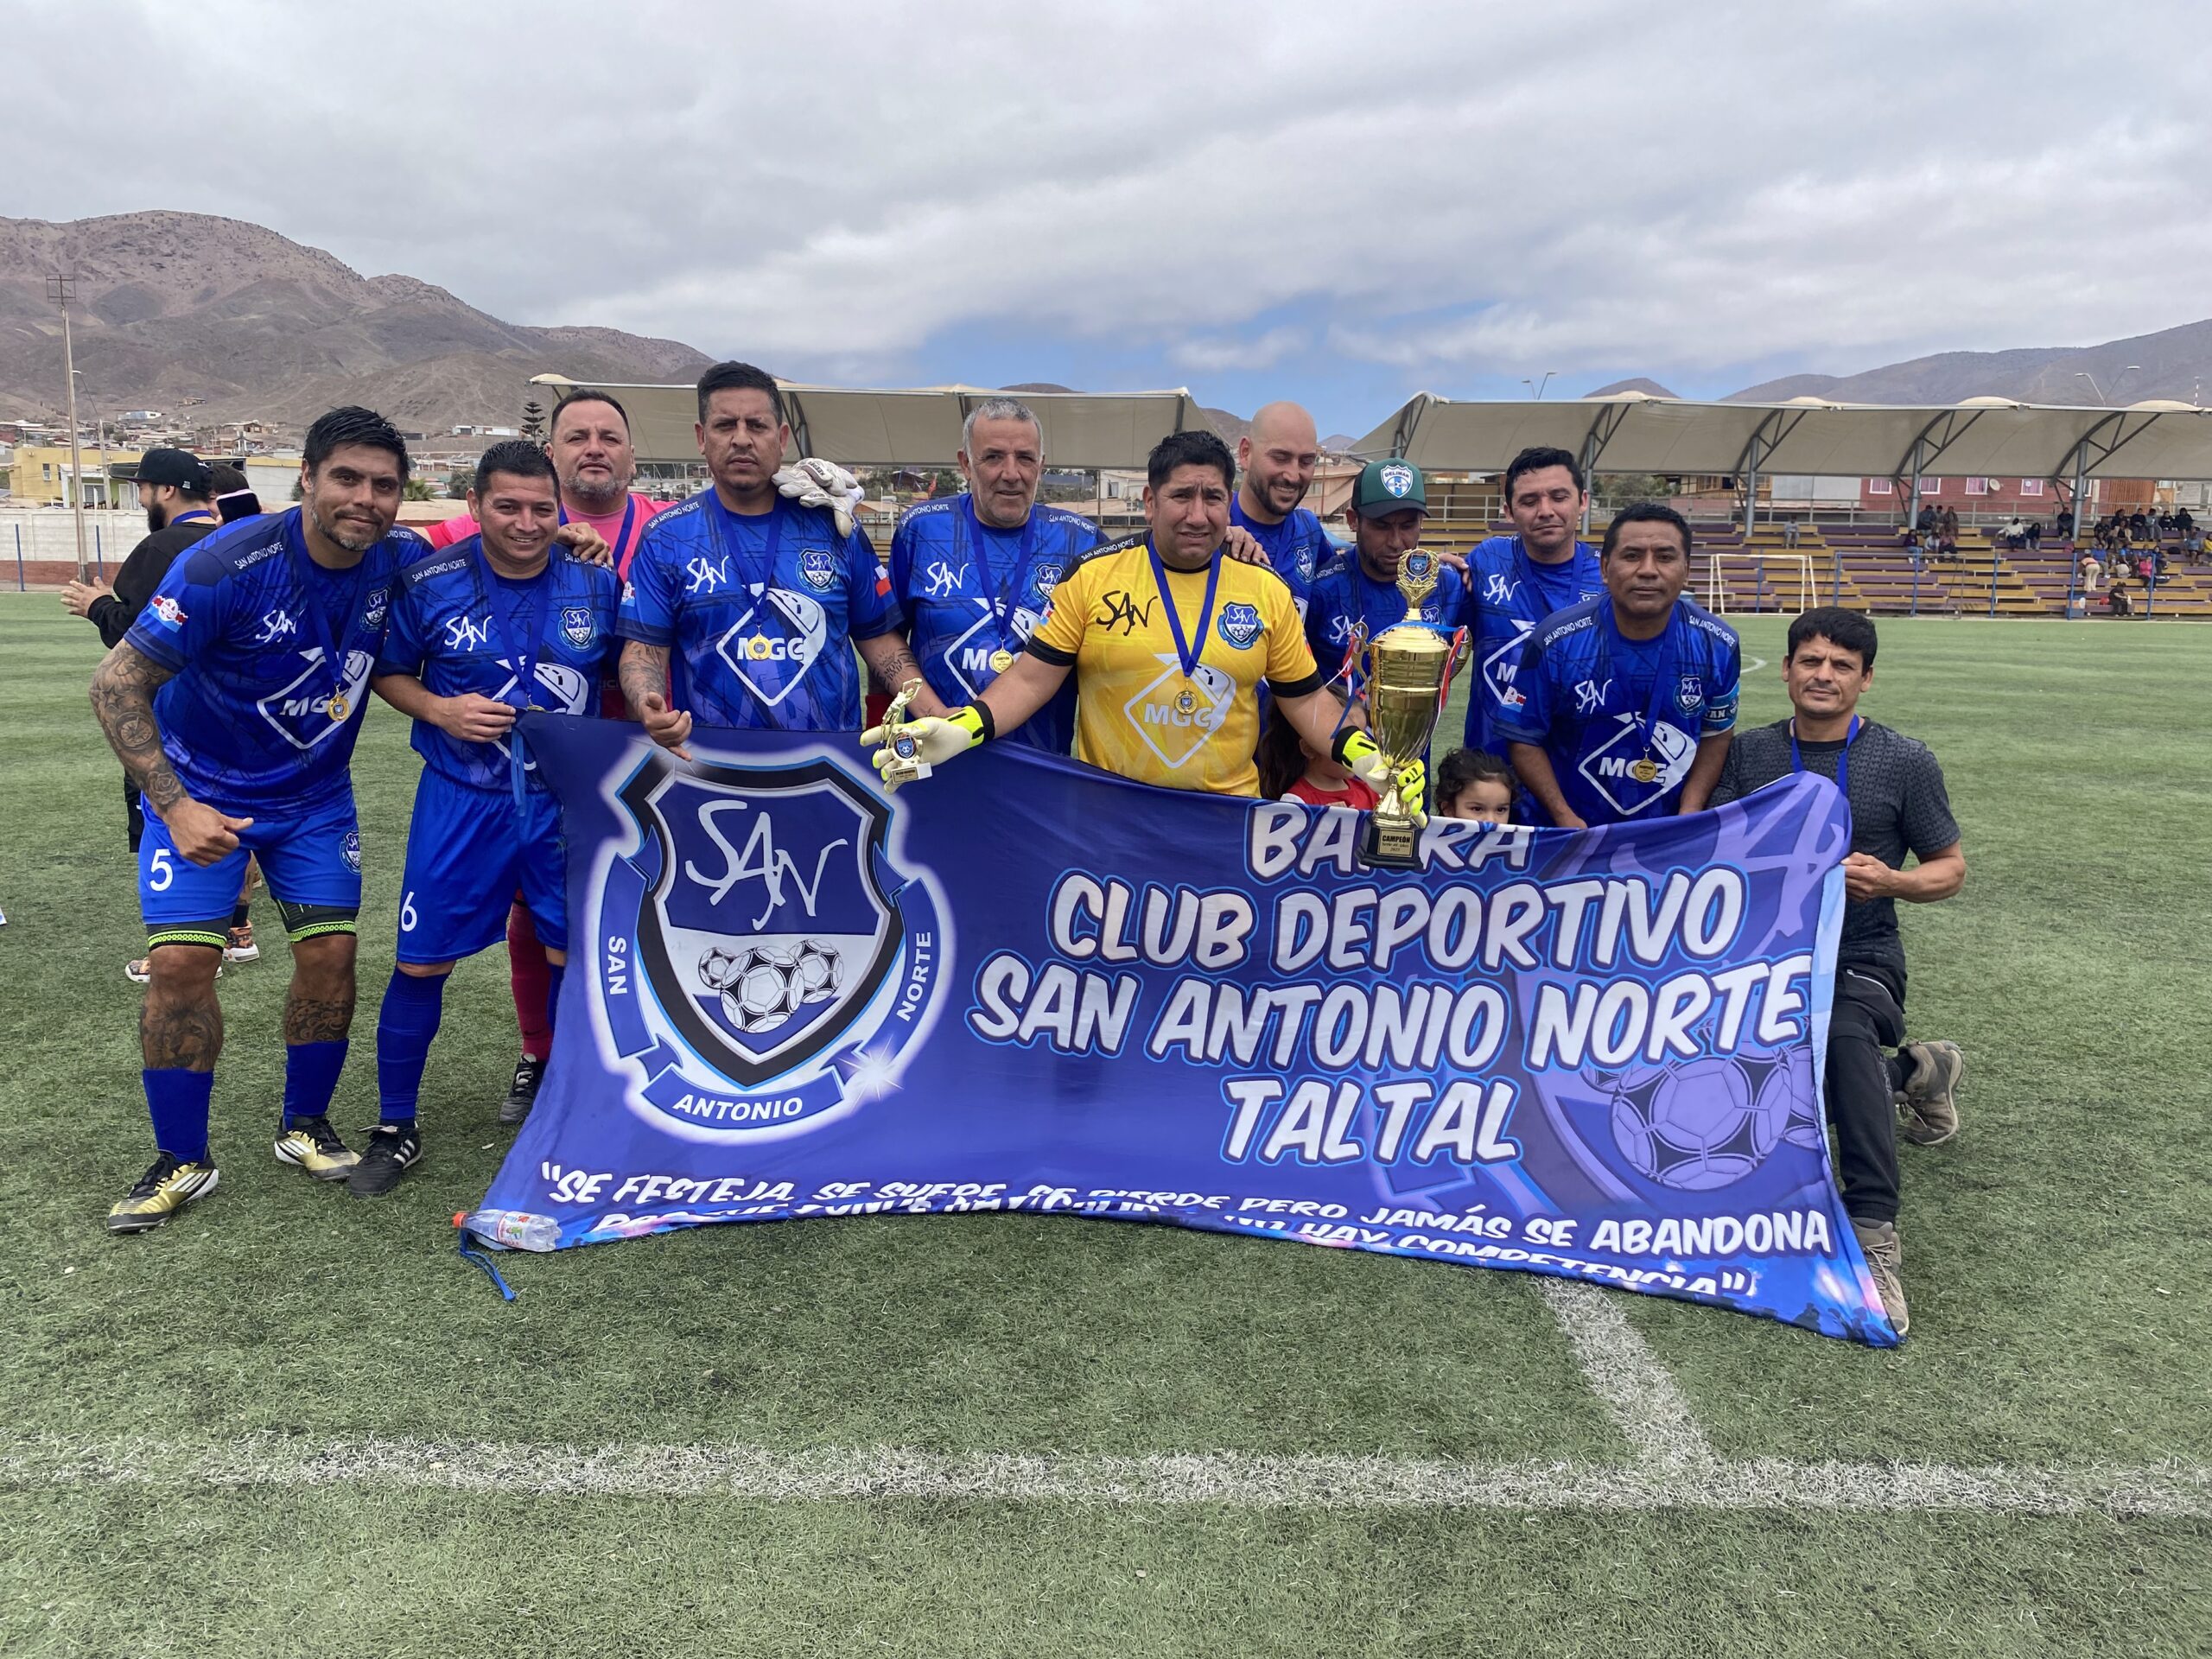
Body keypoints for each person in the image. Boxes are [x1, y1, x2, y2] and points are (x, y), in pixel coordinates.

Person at [88, 408, 425, 1233]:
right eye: (347, 477)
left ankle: (304, 1124)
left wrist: (565, 540)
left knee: (333, 954)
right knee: (178, 969)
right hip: (203, 794)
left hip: (314, 801)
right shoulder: (223, 567)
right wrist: (175, 805)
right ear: (305, 479)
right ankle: (181, 1159)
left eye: (384, 485)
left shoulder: (398, 559)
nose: (366, 498)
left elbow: (485, 547)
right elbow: (115, 685)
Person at [863, 429, 1420, 809]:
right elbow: (1031, 679)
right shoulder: (1093, 576)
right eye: (1182, 496)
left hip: (1225, 819)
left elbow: (1306, 700)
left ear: (1229, 504)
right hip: (1110, 821)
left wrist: (1368, 755)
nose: (1198, 514)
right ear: (1151, 501)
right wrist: (959, 730)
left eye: (1213, 497)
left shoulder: (1266, 591)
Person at [356, 442, 623, 1192]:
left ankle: (574, 1113)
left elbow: (625, 675)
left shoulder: (595, 587)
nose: (527, 523)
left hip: (564, 805)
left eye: (543, 509)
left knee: (574, 956)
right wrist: (440, 707)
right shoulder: (430, 582)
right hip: (461, 799)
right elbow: (388, 671)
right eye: (508, 506)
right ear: (475, 506)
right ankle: (395, 1125)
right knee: (421, 959)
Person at [1711, 608, 1966, 1336]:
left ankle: (1873, 1230)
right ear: (1788, 669)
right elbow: (1714, 846)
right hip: (1759, 956)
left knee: (1840, 1036)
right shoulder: (1748, 754)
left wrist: (1891, 882)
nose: (1824, 675)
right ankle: (1915, 1074)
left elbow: (1950, 870)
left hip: (1861, 960)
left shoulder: (1903, 760)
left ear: (1865, 678)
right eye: (1811, 661)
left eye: (1842, 665)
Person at [429, 389, 669, 1126]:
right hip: (546, 765)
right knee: (536, 917)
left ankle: (657, 1048)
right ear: (553, 453)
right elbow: (411, 560)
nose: (593, 447)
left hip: (654, 753)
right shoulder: (505, 520)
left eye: (608, 436)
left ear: (631, 452)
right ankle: (541, 1056)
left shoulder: (668, 527)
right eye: (577, 436)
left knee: (656, 905)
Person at [617, 360, 941, 750]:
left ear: (782, 437)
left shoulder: (835, 527)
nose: (741, 439)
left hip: (828, 767)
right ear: (702, 437)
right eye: (725, 425)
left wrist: (937, 715)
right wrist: (647, 704)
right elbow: (643, 651)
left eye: (757, 425)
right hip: (711, 768)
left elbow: (881, 642)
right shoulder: (666, 538)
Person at [1497, 502, 1739, 829]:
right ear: (1605, 567)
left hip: (1668, 835)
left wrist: (1691, 808)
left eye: (1665, 557)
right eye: (1632, 556)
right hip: (1568, 834)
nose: (1648, 570)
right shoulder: (1555, 640)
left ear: (1686, 570)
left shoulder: (1719, 644)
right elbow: (1524, 737)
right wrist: (1563, 816)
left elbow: (1717, 734)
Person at [887, 396, 1099, 753]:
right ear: (966, 464)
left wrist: (1229, 534)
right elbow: (887, 637)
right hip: (934, 757)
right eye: (993, 457)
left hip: (1041, 767)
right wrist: (934, 715)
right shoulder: (921, 530)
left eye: (1025, 458)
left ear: (1041, 466)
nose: (1011, 474)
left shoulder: (1081, 539)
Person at [60, 448, 226, 860]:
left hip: (171, 719)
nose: (141, 499)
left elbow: (134, 633)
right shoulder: (240, 539)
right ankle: (240, 915)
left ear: (166, 490)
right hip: (237, 712)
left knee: (174, 838)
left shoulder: (162, 547)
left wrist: (97, 605)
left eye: (144, 488)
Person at [1448, 447, 1606, 763]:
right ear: (1508, 511)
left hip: (1576, 767)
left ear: (1583, 502)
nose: (1545, 510)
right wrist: (1436, 579)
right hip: (1491, 772)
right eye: (1529, 501)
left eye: (1559, 497)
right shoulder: (1488, 560)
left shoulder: (1608, 575)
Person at [1303, 459, 1465, 689]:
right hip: (1336, 724)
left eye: (1408, 526)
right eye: (1381, 526)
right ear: (1353, 520)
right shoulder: (1322, 590)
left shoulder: (1449, 585)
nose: (1396, 542)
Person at [1230, 402, 1336, 617]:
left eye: (1306, 461)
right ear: (1245, 453)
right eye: (1280, 458)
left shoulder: (1310, 530)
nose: (1293, 475)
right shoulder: (1213, 523)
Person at [1256, 701, 1377, 810]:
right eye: (1346, 740)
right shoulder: (1295, 802)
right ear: (1308, 748)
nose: (1360, 748)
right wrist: (1325, 826)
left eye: (1363, 738)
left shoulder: (1371, 791)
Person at [1433, 747, 1514, 824]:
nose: (1491, 821)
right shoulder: (1427, 838)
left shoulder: (1519, 838)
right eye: (1477, 809)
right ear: (1449, 809)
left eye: (1500, 810)